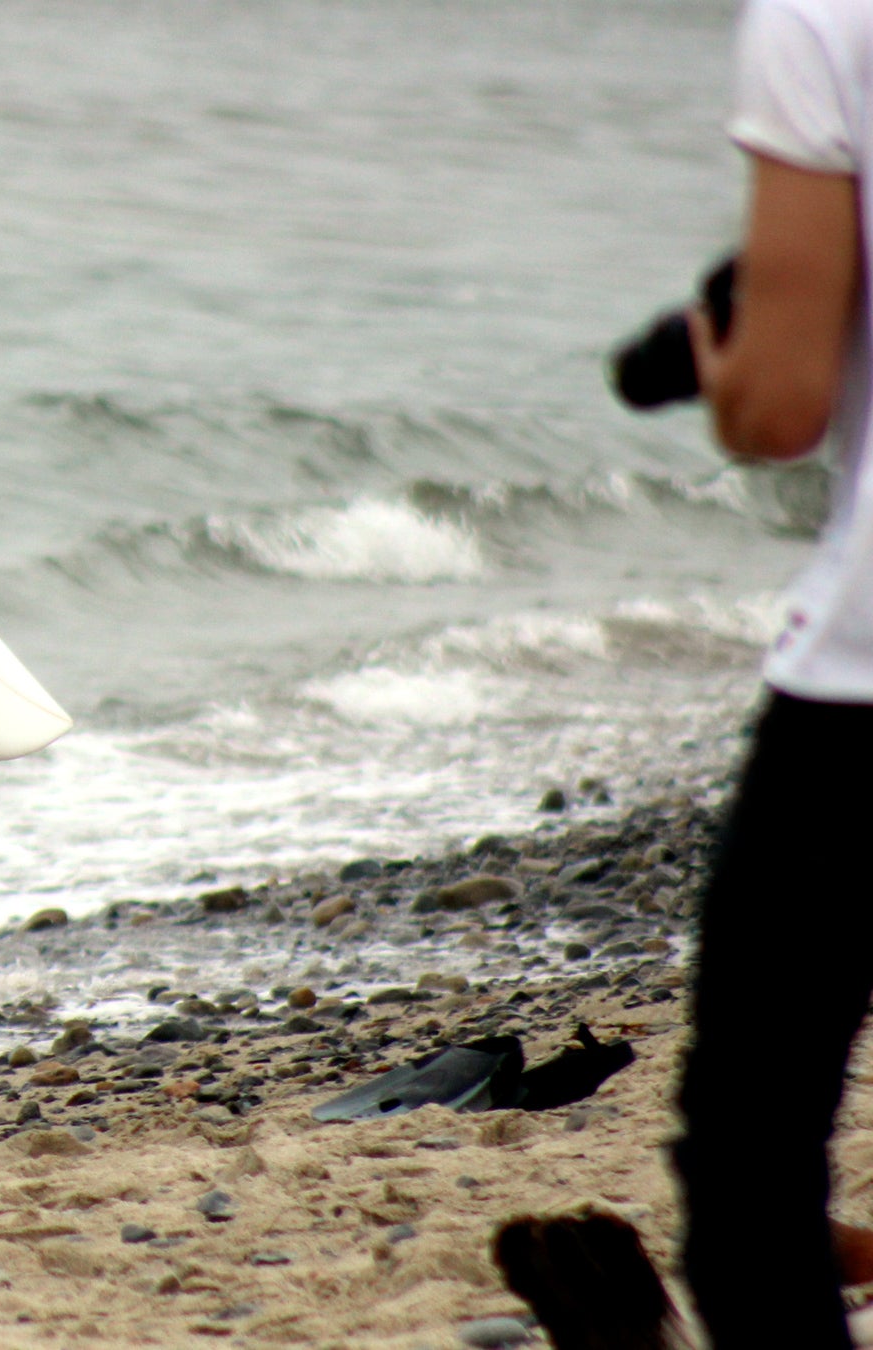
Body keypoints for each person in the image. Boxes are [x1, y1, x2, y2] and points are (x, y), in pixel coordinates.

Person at [674, 0, 872, 1344]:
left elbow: (778, 408)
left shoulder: (824, 20)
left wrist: (721, 360)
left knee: (749, 1166)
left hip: (863, 693)